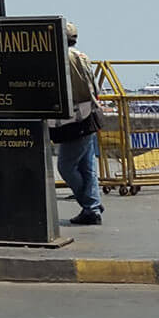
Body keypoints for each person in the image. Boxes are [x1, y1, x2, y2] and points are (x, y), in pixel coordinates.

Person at [51, 20, 105, 226]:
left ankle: (90, 206)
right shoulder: (82, 56)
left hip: (75, 121)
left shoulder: (64, 59)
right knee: (87, 167)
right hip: (88, 117)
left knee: (66, 166)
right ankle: (92, 207)